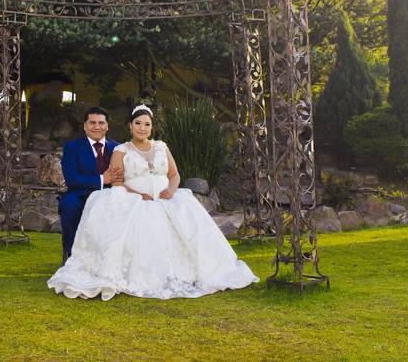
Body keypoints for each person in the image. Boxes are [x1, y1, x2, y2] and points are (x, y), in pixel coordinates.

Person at [48, 104, 258, 300]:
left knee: (187, 217)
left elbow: (174, 174)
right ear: (130, 126)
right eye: (138, 123)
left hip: (163, 195)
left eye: (147, 124)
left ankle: (192, 270)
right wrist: (132, 192)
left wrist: (170, 190)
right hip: (113, 194)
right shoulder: (113, 149)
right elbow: (114, 180)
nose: (142, 128)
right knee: (84, 209)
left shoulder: (155, 146)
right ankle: (71, 253)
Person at [58, 106, 122, 265]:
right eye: (92, 122)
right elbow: (72, 179)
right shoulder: (72, 147)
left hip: (110, 194)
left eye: (101, 123)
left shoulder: (117, 148)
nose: (97, 126)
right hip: (80, 193)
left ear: (107, 126)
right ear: (85, 126)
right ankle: (71, 255)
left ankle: (114, 259)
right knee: (69, 204)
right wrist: (102, 179)